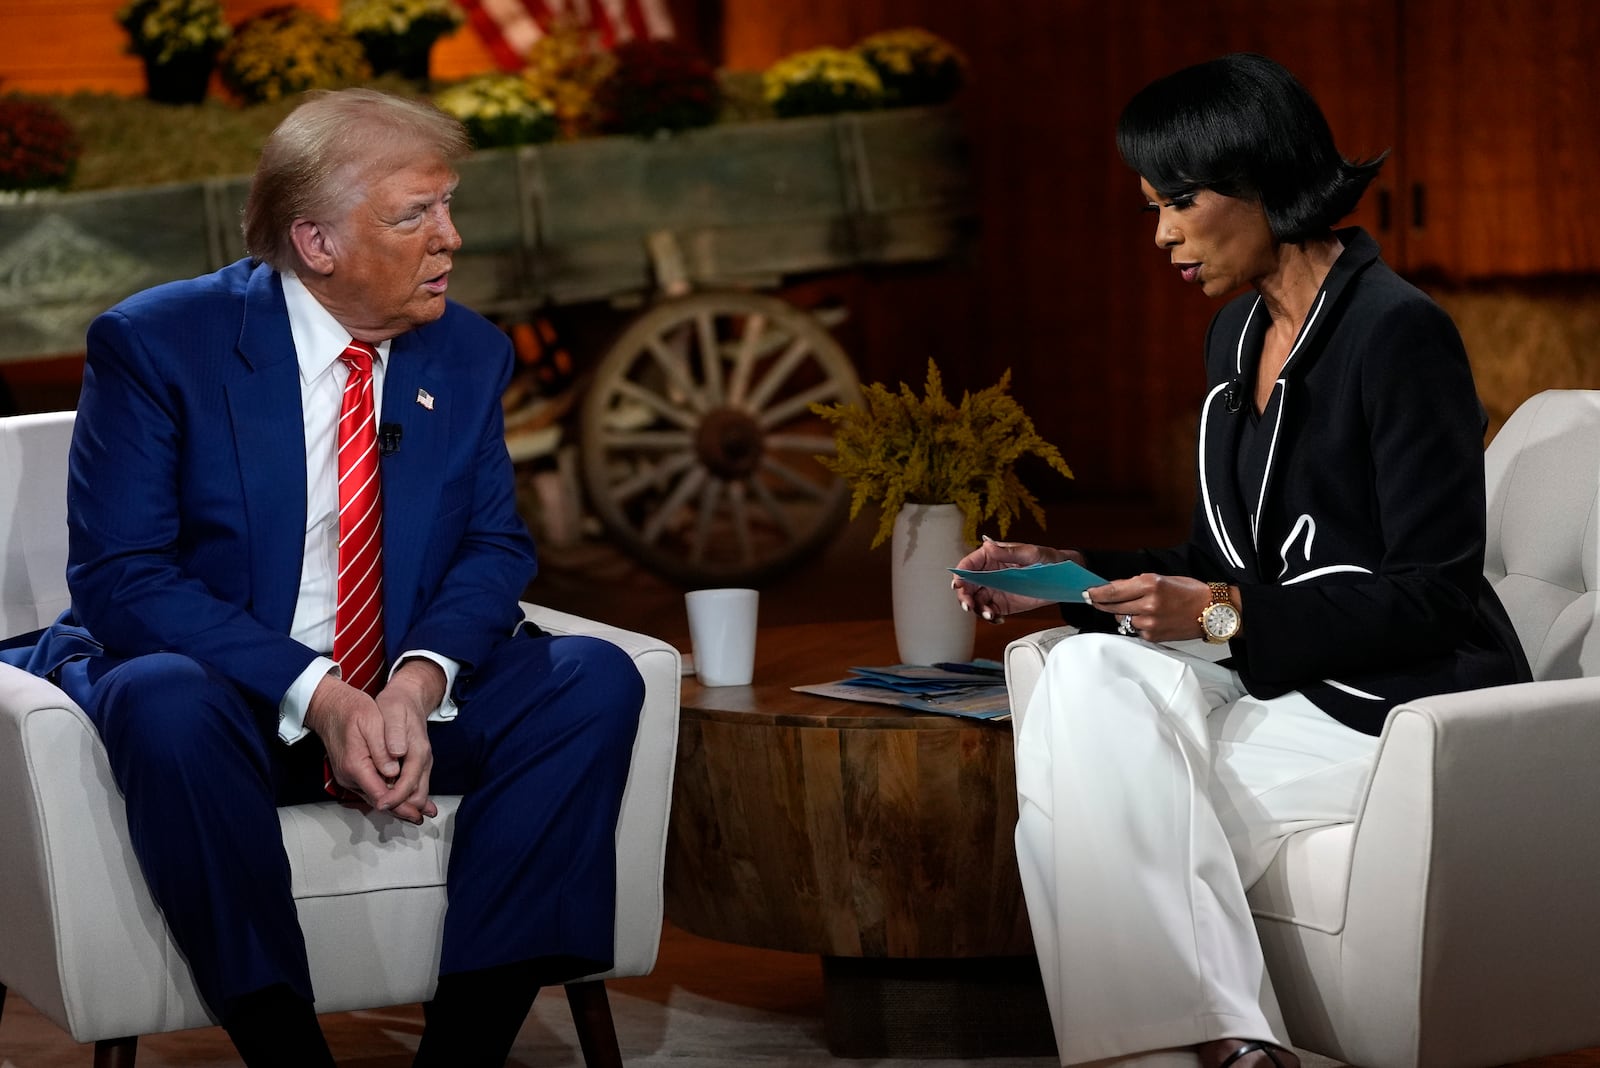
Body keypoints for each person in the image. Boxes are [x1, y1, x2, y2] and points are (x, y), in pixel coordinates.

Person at [1, 88, 644, 1067]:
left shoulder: (464, 353)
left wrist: (415, 684)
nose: (451, 239)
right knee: (162, 698)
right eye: (413, 214)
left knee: (592, 680)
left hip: (391, 693)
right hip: (234, 698)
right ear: (316, 242)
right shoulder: (160, 344)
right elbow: (122, 579)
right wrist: (322, 695)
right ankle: (285, 1051)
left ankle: (466, 1050)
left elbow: (493, 547)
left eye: (448, 204)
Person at [951, 54, 1529, 1068]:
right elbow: (1216, 559)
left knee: (1083, 791)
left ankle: (1202, 1045)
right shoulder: (1234, 334)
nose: (1165, 234)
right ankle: (1225, 1041)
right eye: (1151, 209)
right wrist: (1068, 566)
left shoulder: (1398, 335)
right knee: (1082, 676)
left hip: (1391, 695)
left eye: (1180, 200)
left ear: (1265, 180)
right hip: (1272, 669)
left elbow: (1430, 598)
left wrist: (1220, 615)